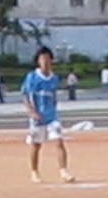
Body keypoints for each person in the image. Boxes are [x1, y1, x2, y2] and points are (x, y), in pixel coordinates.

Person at [22, 47, 76, 184]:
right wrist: (32, 112)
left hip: (51, 116)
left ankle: (64, 171)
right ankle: (34, 171)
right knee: (36, 145)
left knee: (59, 141)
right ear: (38, 61)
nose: (45, 62)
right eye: (42, 59)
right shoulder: (32, 77)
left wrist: (54, 109)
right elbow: (25, 96)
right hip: (37, 117)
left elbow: (54, 96)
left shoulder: (54, 78)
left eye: (47, 59)